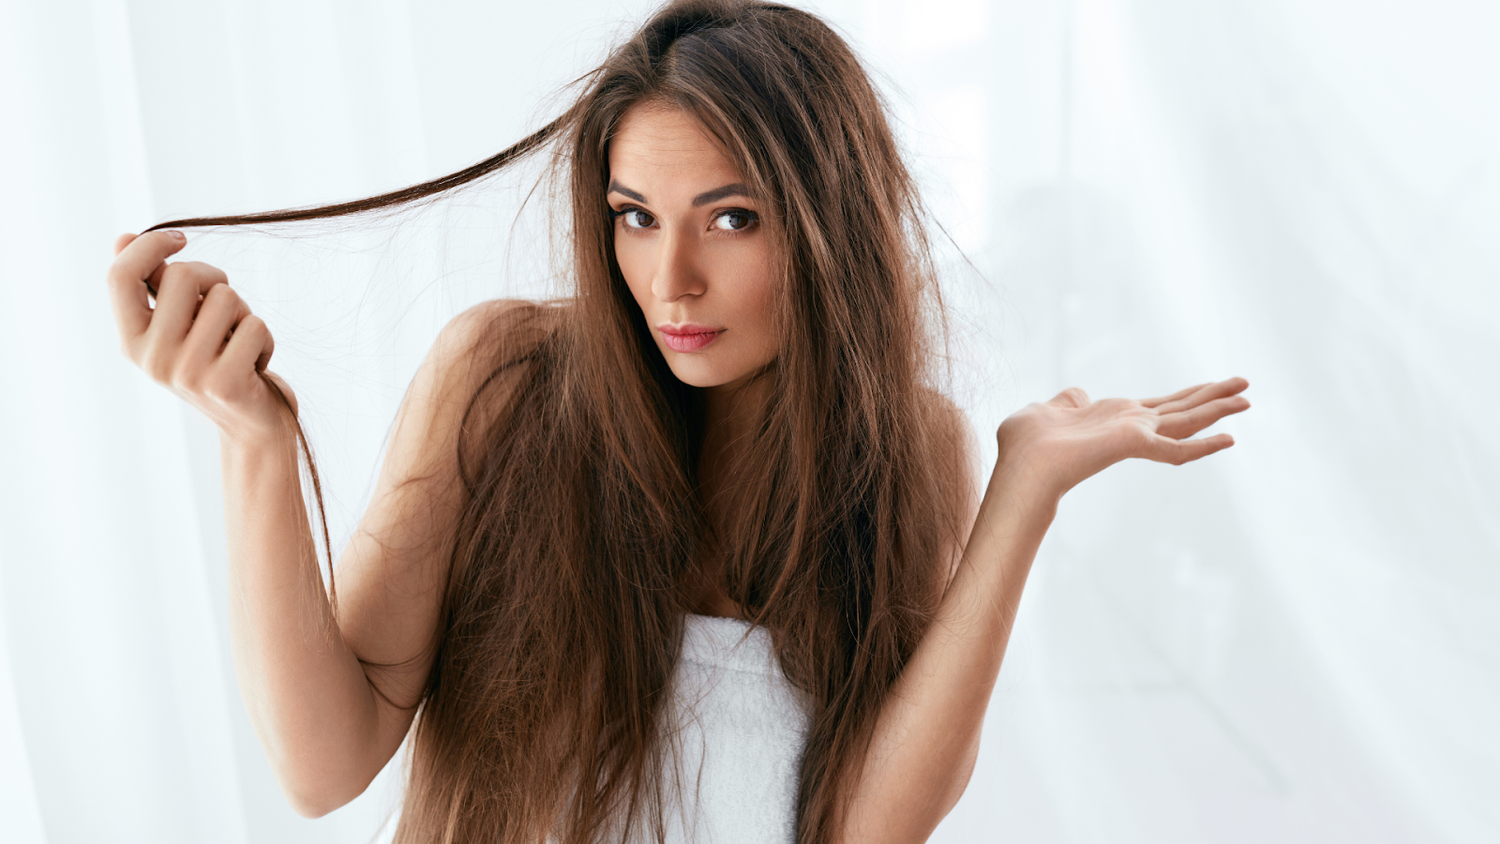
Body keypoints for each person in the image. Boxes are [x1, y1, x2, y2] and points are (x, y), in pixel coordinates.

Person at [103, 1, 1250, 842]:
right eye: (635, 216)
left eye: (732, 218)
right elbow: (322, 765)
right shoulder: (505, 380)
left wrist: (1024, 488)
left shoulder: (910, 454)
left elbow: (866, 828)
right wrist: (253, 443)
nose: (670, 280)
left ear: (827, 224)